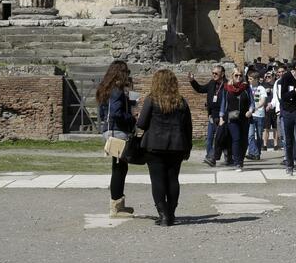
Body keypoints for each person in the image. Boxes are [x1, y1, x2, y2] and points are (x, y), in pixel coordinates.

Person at [137, 69, 193, 227]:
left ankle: (163, 215)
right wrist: (188, 146)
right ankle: (171, 213)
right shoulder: (181, 101)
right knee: (173, 179)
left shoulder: (152, 99)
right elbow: (188, 126)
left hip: (154, 146)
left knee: (157, 180)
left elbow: (141, 124)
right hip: (177, 145)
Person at [97, 60, 137, 218]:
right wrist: (132, 118)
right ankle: (116, 207)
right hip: (118, 131)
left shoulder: (105, 89)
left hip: (110, 130)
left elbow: (102, 113)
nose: (128, 75)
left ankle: (119, 204)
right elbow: (115, 113)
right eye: (126, 72)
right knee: (120, 168)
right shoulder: (117, 90)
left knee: (119, 167)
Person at [189, 65, 226, 166]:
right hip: (212, 116)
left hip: (222, 116)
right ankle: (209, 156)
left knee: (219, 138)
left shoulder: (227, 85)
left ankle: (219, 156)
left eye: (216, 73)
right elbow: (200, 89)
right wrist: (192, 81)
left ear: (222, 74)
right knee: (209, 138)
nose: (214, 75)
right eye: (213, 73)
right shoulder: (211, 83)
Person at [220, 68, 251, 172]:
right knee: (236, 139)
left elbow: (251, 102)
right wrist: (221, 117)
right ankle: (237, 162)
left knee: (244, 140)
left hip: (244, 118)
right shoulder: (227, 88)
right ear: (232, 76)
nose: (238, 77)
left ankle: (241, 160)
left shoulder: (246, 88)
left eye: (240, 75)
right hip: (231, 118)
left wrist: (250, 110)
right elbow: (223, 103)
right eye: (236, 75)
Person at [246, 70, 267, 160]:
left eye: (250, 79)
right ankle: (254, 152)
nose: (249, 80)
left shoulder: (261, 88)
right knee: (250, 135)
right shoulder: (247, 88)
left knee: (259, 135)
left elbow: (263, 101)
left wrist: (256, 107)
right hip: (251, 115)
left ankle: (256, 153)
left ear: (256, 80)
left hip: (260, 115)